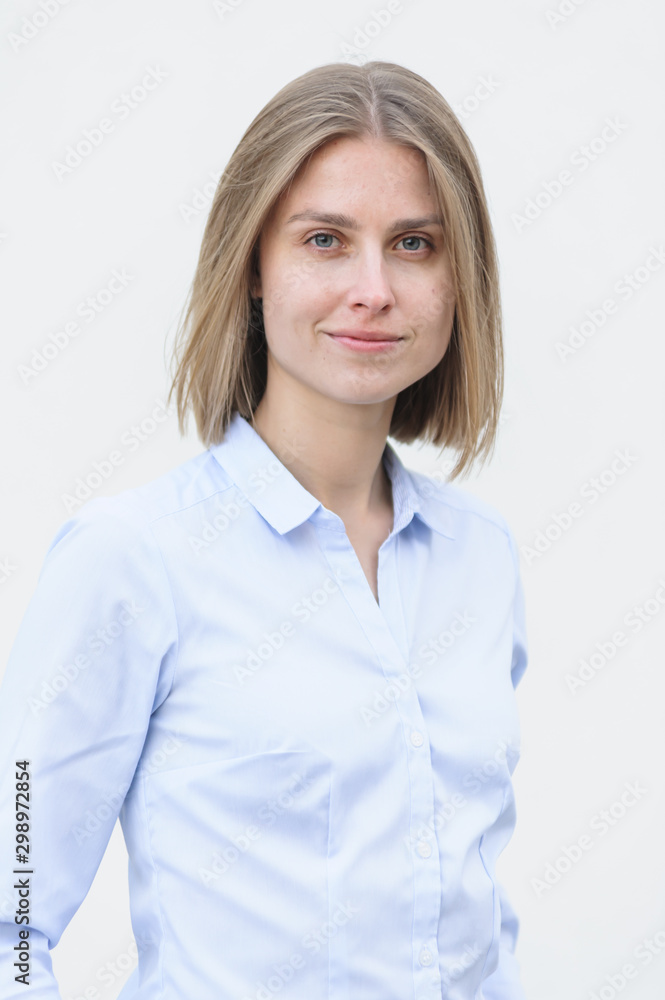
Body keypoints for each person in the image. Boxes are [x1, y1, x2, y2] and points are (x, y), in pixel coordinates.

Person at [0, 60, 528, 999]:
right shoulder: (133, 560)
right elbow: (12, 902)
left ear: (459, 277)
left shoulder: (480, 560)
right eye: (325, 240)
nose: (372, 287)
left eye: (413, 244)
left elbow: (474, 927)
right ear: (251, 265)